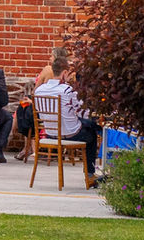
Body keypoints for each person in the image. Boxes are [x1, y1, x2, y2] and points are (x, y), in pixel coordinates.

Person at [35, 50, 101, 188]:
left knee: (88, 125)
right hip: (71, 134)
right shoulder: (67, 90)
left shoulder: (39, 90)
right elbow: (82, 112)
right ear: (65, 73)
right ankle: (90, 174)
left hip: (50, 133)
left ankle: (91, 174)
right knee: (92, 132)